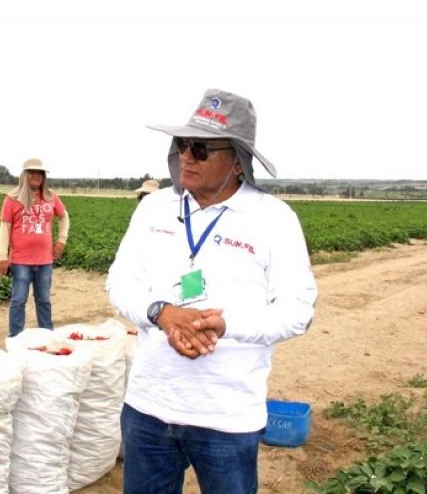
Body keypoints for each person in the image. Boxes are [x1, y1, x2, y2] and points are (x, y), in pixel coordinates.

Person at [106, 89, 317, 494]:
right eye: (183, 145)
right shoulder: (153, 209)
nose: (187, 156)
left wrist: (226, 325)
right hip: (148, 407)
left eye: (201, 149)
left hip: (226, 416)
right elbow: (120, 282)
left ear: (237, 160)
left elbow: (297, 311)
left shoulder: (273, 219)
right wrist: (160, 313)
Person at [0, 158, 70, 337]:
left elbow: (64, 217)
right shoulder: (12, 199)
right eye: (32, 172)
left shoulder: (51, 197)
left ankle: (47, 336)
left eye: (40, 173)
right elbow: (4, 228)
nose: (36, 176)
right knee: (18, 300)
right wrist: (3, 257)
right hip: (21, 260)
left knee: (44, 300)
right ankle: (15, 337)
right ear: (24, 175)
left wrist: (61, 240)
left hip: (45, 260)